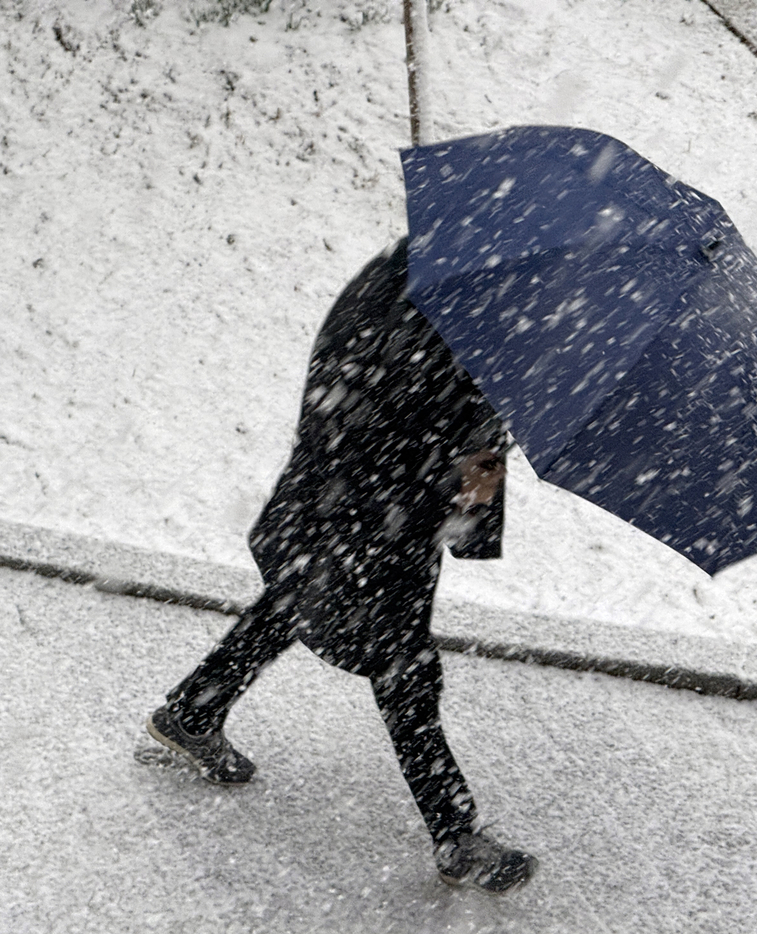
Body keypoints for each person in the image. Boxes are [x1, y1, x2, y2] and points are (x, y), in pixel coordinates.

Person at [146, 238, 538, 894]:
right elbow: (396, 407)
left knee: (295, 598)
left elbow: (437, 416)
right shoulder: (431, 309)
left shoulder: (441, 294)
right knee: (406, 670)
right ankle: (455, 834)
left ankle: (192, 710)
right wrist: (468, 462)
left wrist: (477, 464)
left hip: (357, 508)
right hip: (365, 509)